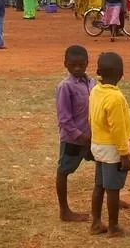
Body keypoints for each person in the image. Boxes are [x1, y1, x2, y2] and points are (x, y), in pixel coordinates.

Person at [89, 52, 130, 238]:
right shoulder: (116, 99)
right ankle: (114, 227)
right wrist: (124, 155)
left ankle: (95, 223)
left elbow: (91, 117)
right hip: (112, 149)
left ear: (99, 72)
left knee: (99, 186)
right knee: (113, 189)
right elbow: (117, 130)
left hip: (98, 145)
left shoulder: (95, 91)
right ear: (121, 74)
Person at [56, 45, 95, 223]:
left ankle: (114, 197)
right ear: (66, 64)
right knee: (64, 171)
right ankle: (64, 210)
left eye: (81, 64)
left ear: (87, 63)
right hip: (74, 139)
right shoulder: (65, 87)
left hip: (94, 137)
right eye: (73, 65)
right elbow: (64, 118)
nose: (77, 68)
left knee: (107, 163)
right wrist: (80, 136)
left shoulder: (92, 83)